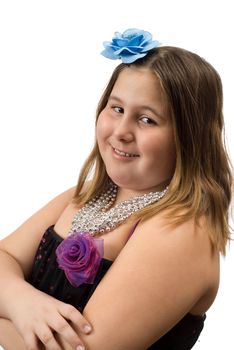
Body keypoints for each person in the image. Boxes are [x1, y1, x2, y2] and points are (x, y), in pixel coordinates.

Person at [0, 28, 232, 350]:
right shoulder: (80, 198)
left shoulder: (182, 231)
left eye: (147, 120)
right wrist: (20, 301)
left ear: (189, 139)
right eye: (117, 109)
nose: (122, 131)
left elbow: (79, 348)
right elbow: (3, 255)